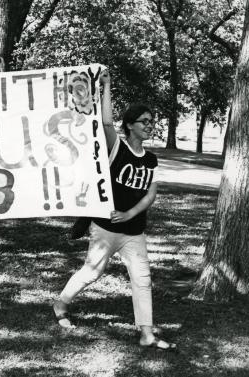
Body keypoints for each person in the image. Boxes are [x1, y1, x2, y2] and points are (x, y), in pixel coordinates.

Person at [52, 69, 176, 350]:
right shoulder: (116, 148)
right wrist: (107, 85)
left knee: (142, 280)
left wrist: (131, 214)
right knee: (92, 271)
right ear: (130, 125)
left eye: (152, 122)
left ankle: (147, 334)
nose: (150, 126)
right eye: (144, 121)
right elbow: (106, 122)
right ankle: (60, 303)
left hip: (134, 231)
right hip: (105, 227)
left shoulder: (151, 160)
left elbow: (151, 192)